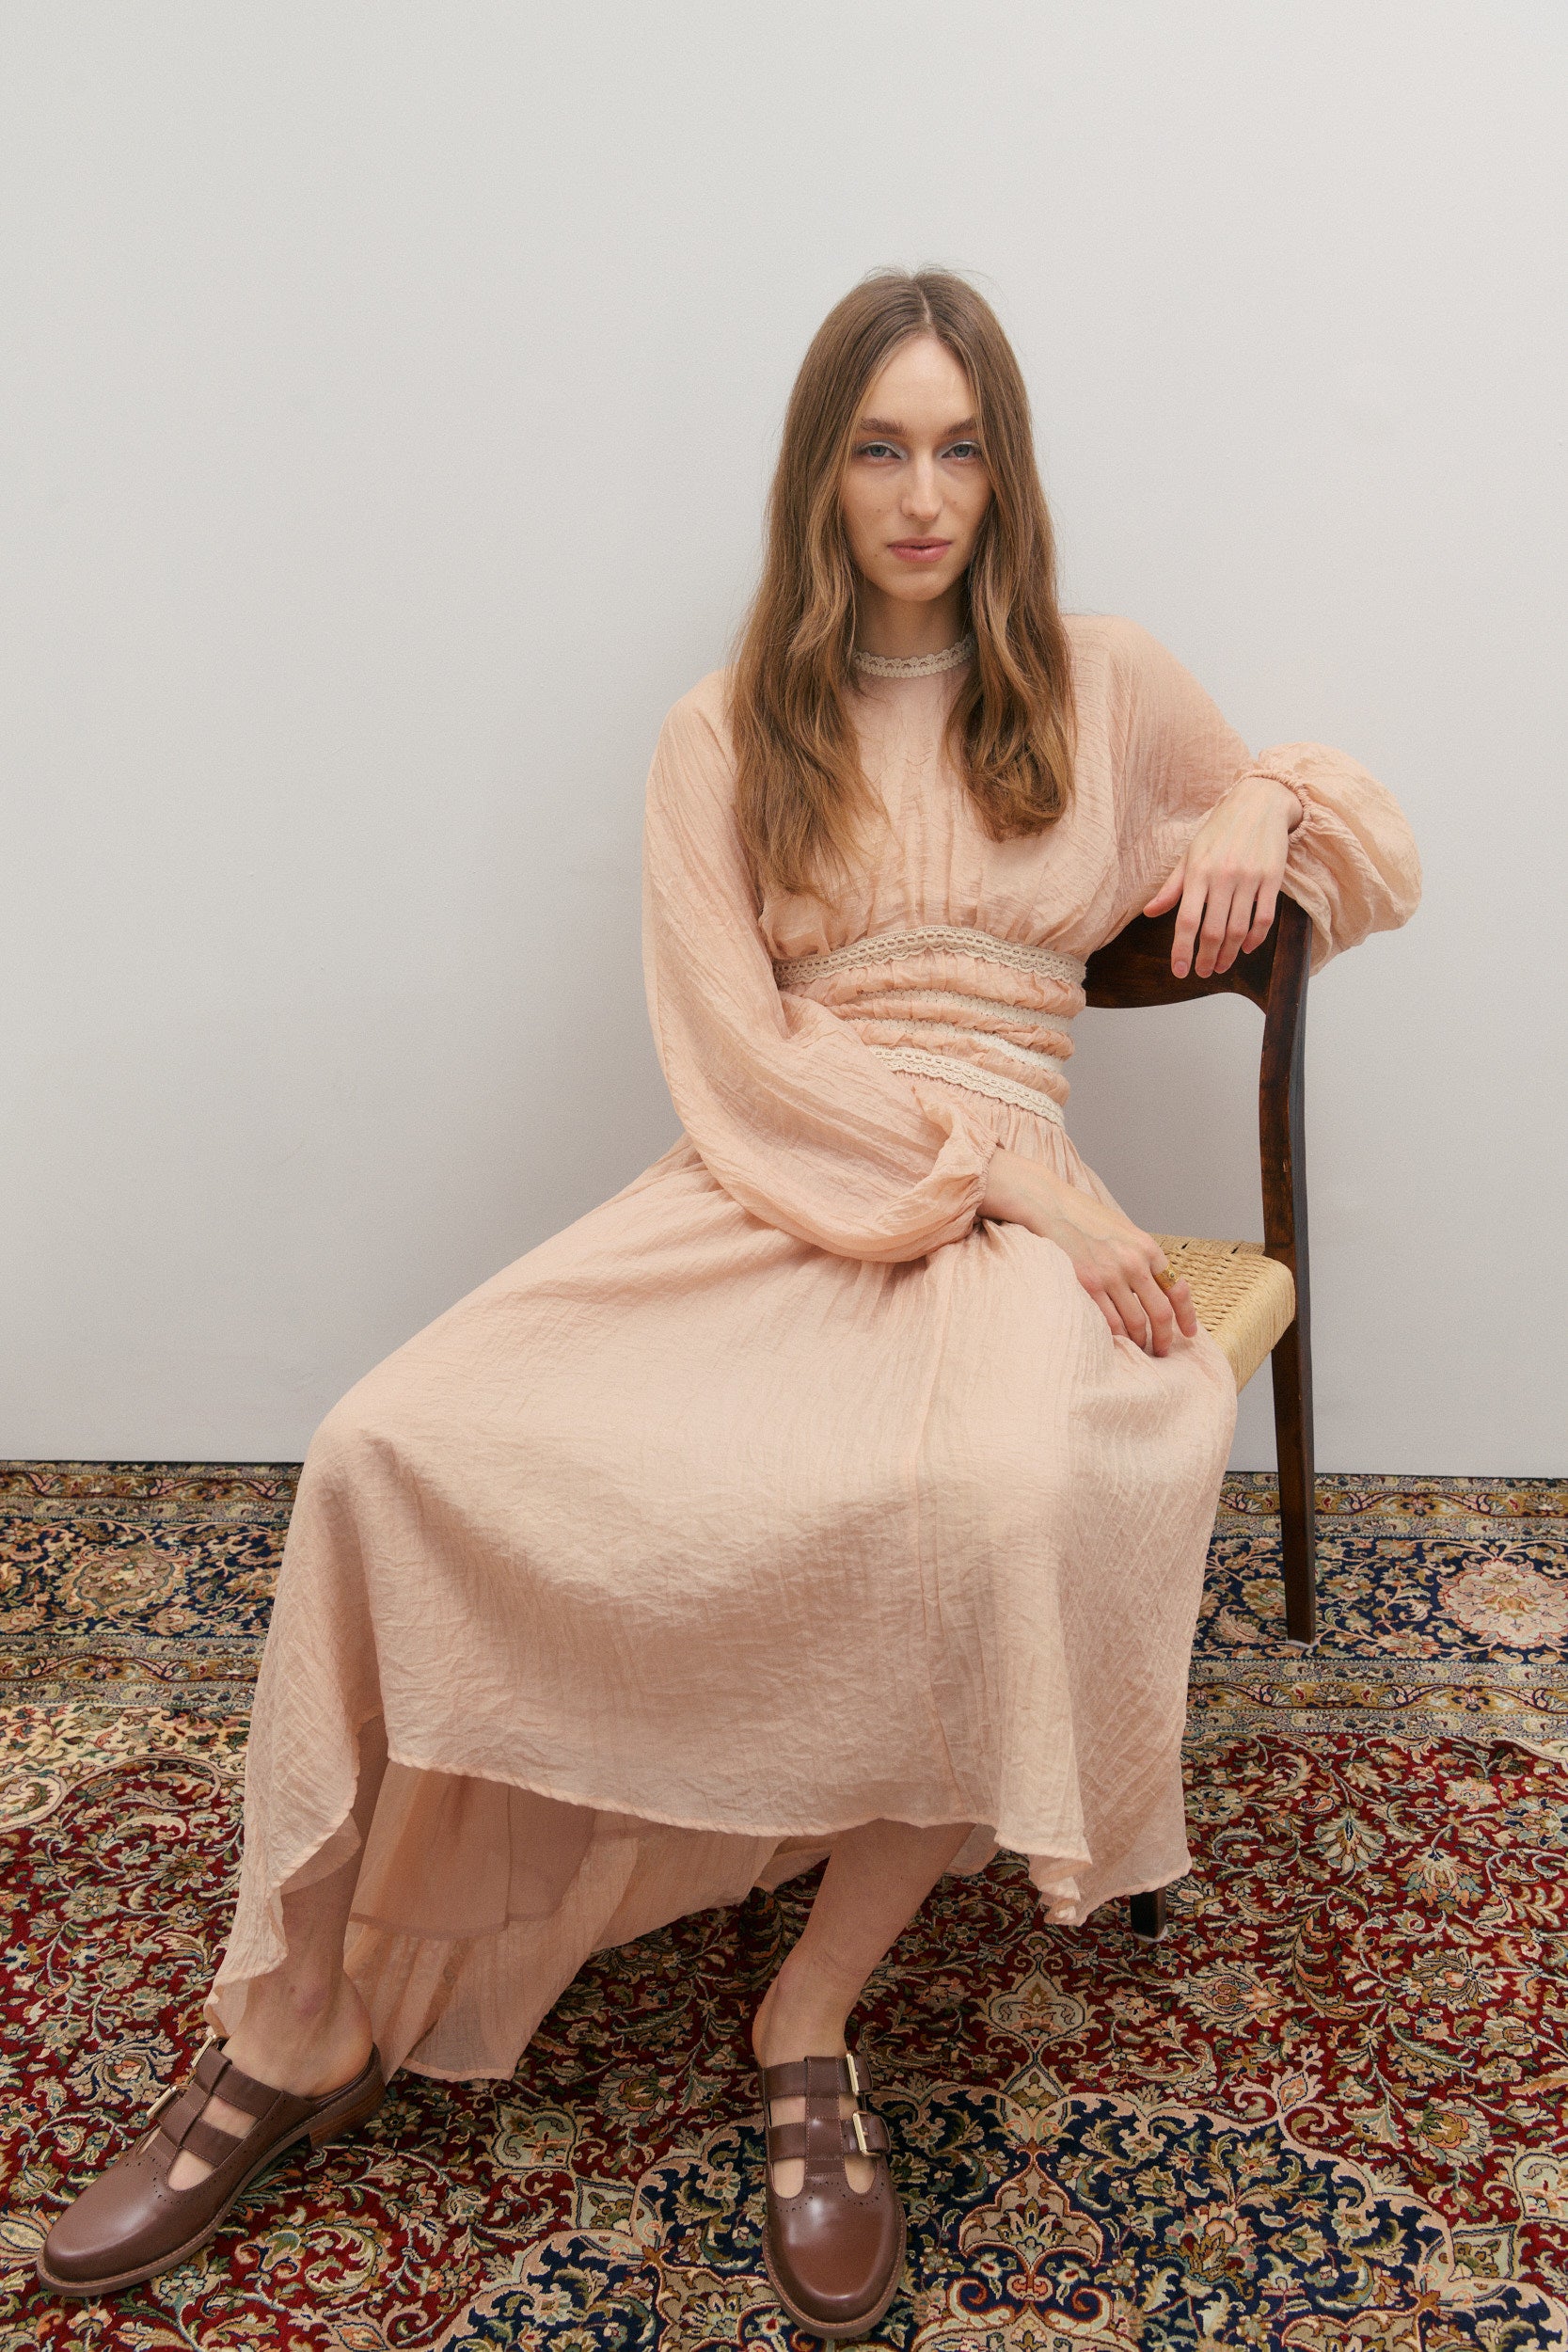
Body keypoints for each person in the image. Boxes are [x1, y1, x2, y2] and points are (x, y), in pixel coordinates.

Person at [39, 268, 1420, 2335]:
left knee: (1000, 1509)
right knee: (390, 1443)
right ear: (820, 473)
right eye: (880, 445)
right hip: (782, 1173)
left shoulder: (1102, 677)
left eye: (961, 446)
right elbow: (740, 1050)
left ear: (1007, 470)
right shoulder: (725, 724)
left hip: (1020, 1231)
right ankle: (299, 2011)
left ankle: (809, 2011)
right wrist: (1001, 1168)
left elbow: (1362, 845)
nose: (923, 490)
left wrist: (1248, 802)